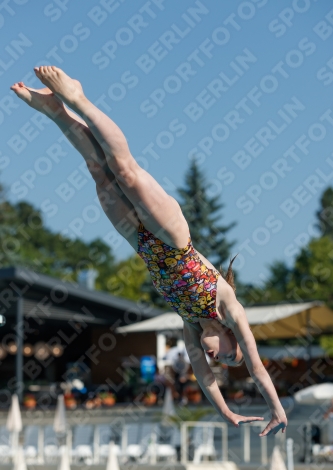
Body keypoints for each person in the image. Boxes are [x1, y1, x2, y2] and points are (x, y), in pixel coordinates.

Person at [11, 66, 287, 436]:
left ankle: (56, 112)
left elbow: (204, 378)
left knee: (98, 170)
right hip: (172, 239)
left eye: (219, 360)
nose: (215, 358)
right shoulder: (228, 307)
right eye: (224, 354)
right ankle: (77, 97)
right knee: (125, 171)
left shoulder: (191, 324)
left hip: (140, 243)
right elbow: (256, 367)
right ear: (230, 334)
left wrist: (225, 412)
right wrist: (276, 407)